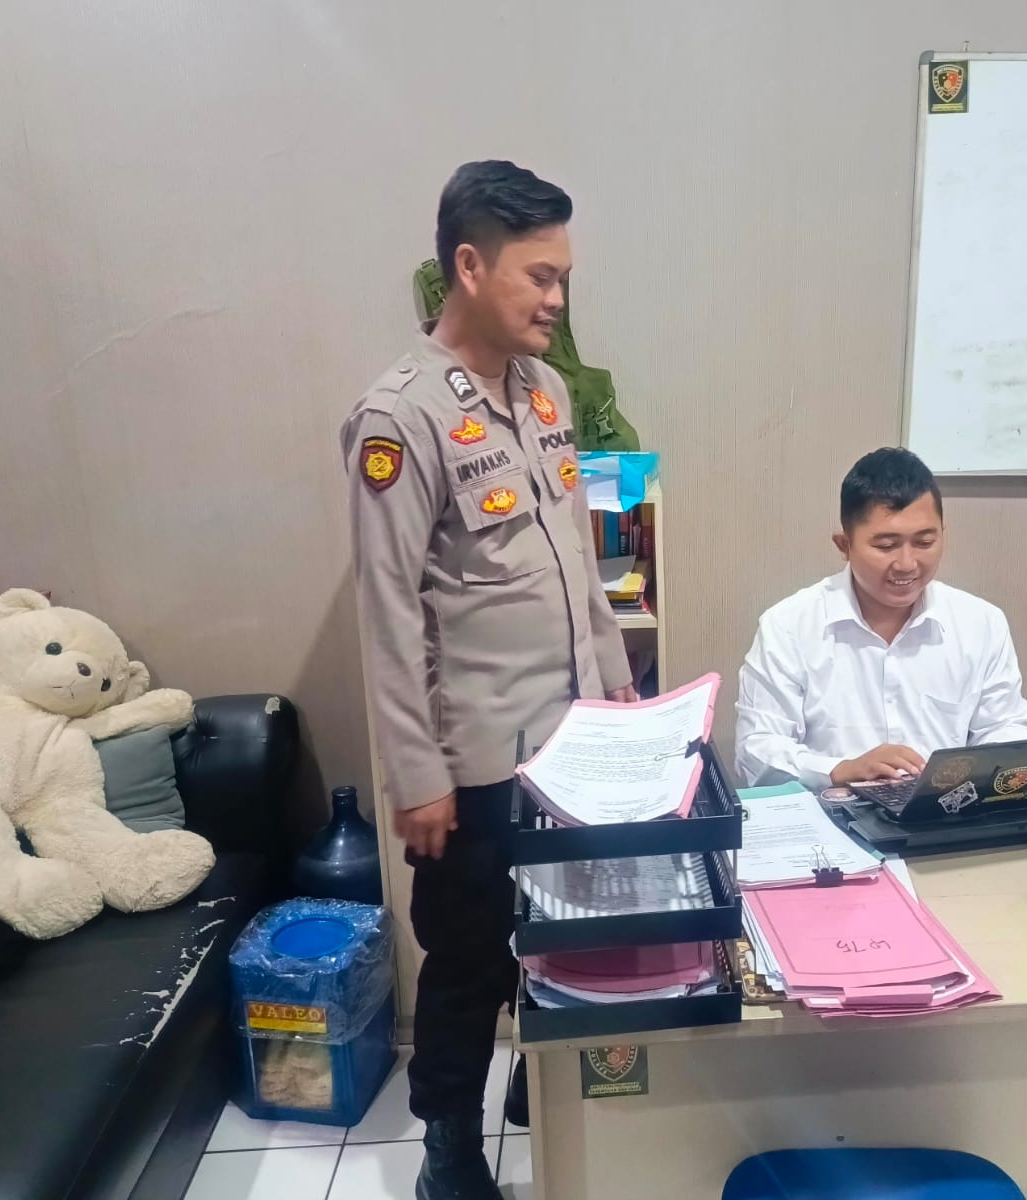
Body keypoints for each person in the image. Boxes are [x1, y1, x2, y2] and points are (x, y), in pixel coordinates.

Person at [343, 160, 634, 1200]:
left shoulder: (544, 392)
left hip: (567, 748)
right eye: (538, 277)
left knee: (561, 933)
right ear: (469, 267)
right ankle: (448, 1149)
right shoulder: (400, 419)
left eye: (563, 278)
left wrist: (618, 697)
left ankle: (535, 1088)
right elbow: (385, 609)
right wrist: (415, 775)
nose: (557, 300)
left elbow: (577, 564)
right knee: (466, 964)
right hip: (470, 764)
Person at [735, 446, 1027, 790]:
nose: (907, 564)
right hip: (831, 812)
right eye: (886, 546)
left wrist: (985, 768)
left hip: (945, 811)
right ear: (844, 545)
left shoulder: (981, 623)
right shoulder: (789, 626)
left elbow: (1006, 728)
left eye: (924, 542)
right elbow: (756, 752)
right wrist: (841, 769)